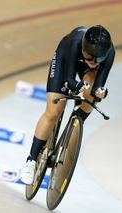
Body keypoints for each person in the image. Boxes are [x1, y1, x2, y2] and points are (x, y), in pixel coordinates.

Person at [20, 25, 115, 184]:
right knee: (53, 113)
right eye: (90, 57)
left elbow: (99, 86)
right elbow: (70, 80)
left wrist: (100, 92)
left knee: (91, 91)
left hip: (86, 72)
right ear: (84, 48)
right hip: (65, 59)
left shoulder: (109, 53)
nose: (93, 61)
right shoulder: (75, 42)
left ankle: (76, 121)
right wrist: (74, 86)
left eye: (98, 59)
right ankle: (31, 160)